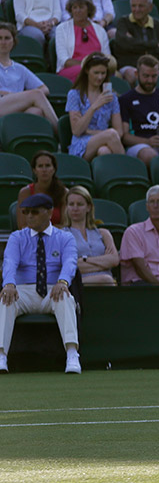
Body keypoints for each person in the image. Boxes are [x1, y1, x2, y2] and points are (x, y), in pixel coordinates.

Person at [0, 194, 81, 374]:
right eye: (26, 212)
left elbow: (70, 262)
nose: (29, 216)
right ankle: (1, 355)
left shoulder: (65, 238)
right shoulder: (17, 237)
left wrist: (63, 281)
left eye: (35, 212)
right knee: (6, 299)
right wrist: (9, 284)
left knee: (66, 297)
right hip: (23, 291)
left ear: (49, 212)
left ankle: (72, 353)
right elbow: (9, 262)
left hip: (53, 289)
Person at [0, 22, 59, 131]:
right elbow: (37, 93)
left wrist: (19, 96)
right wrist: (9, 94)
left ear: (13, 41)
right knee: (36, 94)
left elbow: (44, 89)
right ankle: (60, 132)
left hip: (15, 105)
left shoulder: (19, 68)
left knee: (36, 112)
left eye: (7, 38)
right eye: (0, 38)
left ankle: (23, 143)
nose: (3, 42)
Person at [66, 52, 125, 160]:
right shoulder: (74, 95)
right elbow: (77, 131)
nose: (100, 77)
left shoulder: (111, 97)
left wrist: (92, 132)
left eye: (103, 73)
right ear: (87, 71)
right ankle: (127, 171)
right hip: (82, 144)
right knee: (111, 134)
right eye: (96, 73)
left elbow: (119, 132)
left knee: (104, 151)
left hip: (106, 140)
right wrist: (94, 106)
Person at [63, 186, 117, 285]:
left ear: (88, 207)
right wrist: (104, 263)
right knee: (106, 279)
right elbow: (69, 267)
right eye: (71, 204)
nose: (75, 208)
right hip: (77, 285)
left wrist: (84, 260)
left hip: (106, 286)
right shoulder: (62, 235)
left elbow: (114, 260)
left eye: (79, 204)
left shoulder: (103, 233)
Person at [55, 0, 113, 82]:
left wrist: (96, 68)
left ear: (88, 9)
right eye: (75, 7)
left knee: (114, 74)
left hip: (98, 70)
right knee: (88, 72)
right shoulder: (62, 29)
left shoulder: (100, 30)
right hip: (71, 70)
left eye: (81, 7)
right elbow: (64, 60)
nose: (78, 11)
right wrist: (88, 66)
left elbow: (107, 57)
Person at [16, 150, 67, 229]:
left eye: (47, 165)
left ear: (54, 169)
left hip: (58, 238)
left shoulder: (64, 192)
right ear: (34, 170)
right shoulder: (25, 192)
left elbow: (66, 225)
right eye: (40, 166)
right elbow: (22, 226)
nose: (44, 170)